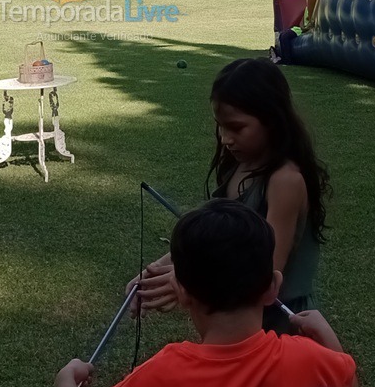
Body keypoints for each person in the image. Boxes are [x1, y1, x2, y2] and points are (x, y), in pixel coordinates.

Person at [57, 200, 362, 387]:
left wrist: (67, 379)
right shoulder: (306, 360)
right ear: (273, 287)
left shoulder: (163, 374)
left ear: (183, 293)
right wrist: (327, 337)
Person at [131, 57, 331, 334]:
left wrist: (187, 278)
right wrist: (155, 271)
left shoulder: (285, 181)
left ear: (272, 121)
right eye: (221, 126)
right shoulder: (239, 164)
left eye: (236, 127)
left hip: (281, 325)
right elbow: (215, 238)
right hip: (238, 318)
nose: (225, 138)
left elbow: (264, 270)